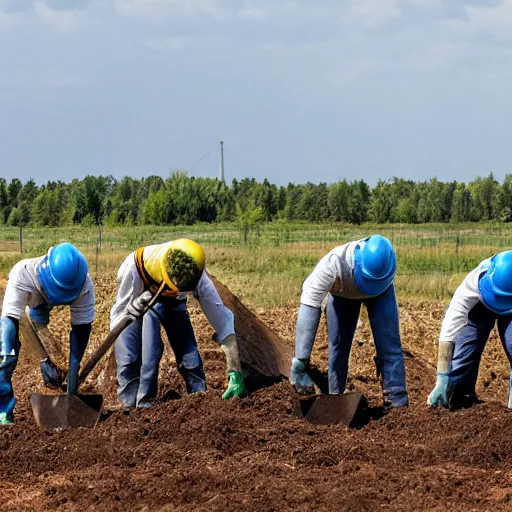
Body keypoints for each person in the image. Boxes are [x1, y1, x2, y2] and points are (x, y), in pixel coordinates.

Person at [110, 238, 246, 409]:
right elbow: (121, 314)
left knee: (190, 357)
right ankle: (133, 409)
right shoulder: (134, 268)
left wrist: (235, 370)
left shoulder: (196, 275)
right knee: (144, 356)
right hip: (141, 298)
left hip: (174, 304)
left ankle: (200, 401)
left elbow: (222, 318)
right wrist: (124, 350)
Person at [289, 234, 409, 408]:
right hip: (342, 295)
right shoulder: (334, 263)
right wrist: (300, 361)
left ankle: (398, 405)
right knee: (338, 346)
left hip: (381, 294)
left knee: (389, 346)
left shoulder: (386, 264)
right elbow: (309, 303)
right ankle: (336, 400)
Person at [0, 242, 94, 425]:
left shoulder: (84, 285)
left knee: (40, 325)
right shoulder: (23, 273)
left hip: (41, 308)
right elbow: (10, 321)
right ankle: (3, 412)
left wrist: (73, 374)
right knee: (6, 353)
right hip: (32, 296)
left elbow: (81, 329)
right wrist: (40, 359)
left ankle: (63, 383)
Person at [428, 250, 512, 409]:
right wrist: (442, 378)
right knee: (462, 356)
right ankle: (456, 404)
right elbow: (449, 332)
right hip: (479, 305)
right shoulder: (472, 284)